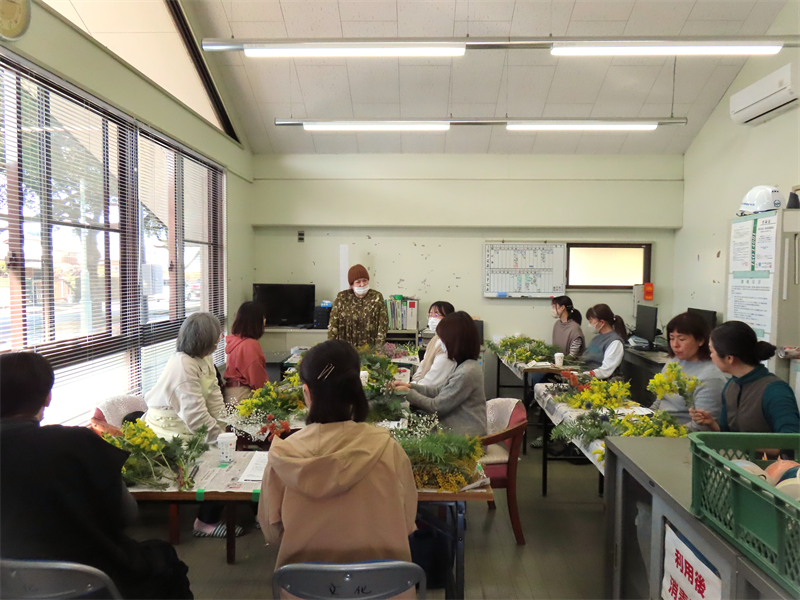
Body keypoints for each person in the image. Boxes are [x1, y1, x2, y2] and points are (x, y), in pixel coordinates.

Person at [0, 352, 193, 600]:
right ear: (48, 397)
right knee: (164, 559)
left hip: (9, 583)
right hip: (91, 579)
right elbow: (126, 515)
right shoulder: (77, 443)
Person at [258, 339, 417, 572]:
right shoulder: (388, 449)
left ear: (306, 392)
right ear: (356, 390)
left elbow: (271, 532)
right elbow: (407, 521)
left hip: (306, 586)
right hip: (381, 585)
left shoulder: (283, 456)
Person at [145, 312, 241, 538]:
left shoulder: (203, 358)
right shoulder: (182, 367)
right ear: (203, 341)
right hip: (170, 429)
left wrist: (226, 427)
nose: (218, 343)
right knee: (218, 461)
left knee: (227, 452)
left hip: (187, 423)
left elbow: (214, 396)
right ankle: (205, 523)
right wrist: (219, 440)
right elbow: (196, 418)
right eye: (215, 340)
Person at [690, 321, 800, 433]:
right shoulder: (731, 386)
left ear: (729, 358)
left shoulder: (775, 391)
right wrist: (712, 424)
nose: (711, 356)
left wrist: (747, 442)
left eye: (712, 351)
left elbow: (791, 439)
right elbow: (727, 434)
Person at [396, 311, 487, 436]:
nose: (441, 344)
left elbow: (436, 407)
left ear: (455, 341)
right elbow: (440, 391)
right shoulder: (462, 365)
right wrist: (410, 386)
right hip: (456, 431)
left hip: (466, 438)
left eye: (443, 341)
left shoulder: (467, 372)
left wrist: (408, 393)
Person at [651, 312, 726, 430]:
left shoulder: (711, 377)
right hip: (659, 426)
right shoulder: (674, 362)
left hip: (680, 434)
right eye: (671, 338)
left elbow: (701, 426)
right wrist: (645, 419)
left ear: (700, 341)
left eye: (682, 339)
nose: (675, 345)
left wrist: (664, 433)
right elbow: (660, 400)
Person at [328, 264, 389, 347]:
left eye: (365, 280)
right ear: (351, 285)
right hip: (346, 347)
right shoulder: (342, 297)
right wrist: (330, 347)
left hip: (370, 346)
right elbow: (333, 324)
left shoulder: (376, 297)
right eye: (358, 282)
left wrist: (378, 348)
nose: (362, 284)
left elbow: (383, 324)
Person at [224, 301, 268, 404]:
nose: (265, 320)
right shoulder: (250, 345)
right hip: (243, 395)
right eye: (263, 317)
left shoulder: (234, 340)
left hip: (231, 393)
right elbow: (257, 379)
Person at [413, 301, 456, 387]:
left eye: (436, 315)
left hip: (434, 391)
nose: (431, 319)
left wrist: (413, 387)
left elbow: (433, 381)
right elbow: (423, 364)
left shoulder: (447, 345)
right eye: (430, 315)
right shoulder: (435, 339)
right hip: (422, 387)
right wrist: (414, 382)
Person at [583, 304, 627, 379]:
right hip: (587, 377)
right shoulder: (596, 339)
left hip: (602, 382)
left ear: (602, 323)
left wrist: (583, 375)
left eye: (591, 320)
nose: (589, 324)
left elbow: (605, 371)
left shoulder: (615, 342)